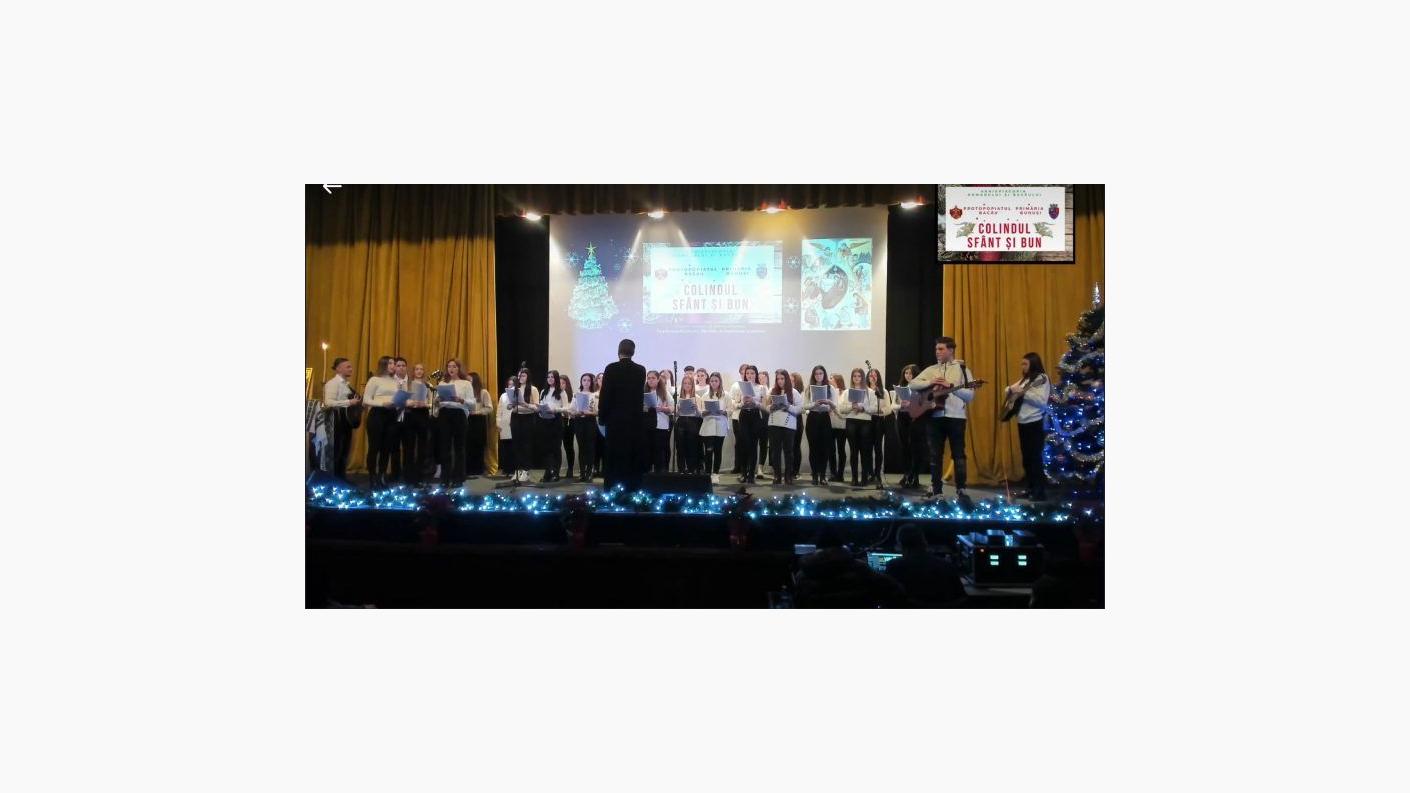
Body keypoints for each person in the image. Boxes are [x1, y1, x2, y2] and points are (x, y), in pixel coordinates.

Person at [907, 336, 978, 498]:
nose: (937, 352)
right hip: (934, 416)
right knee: (934, 455)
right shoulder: (931, 369)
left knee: (958, 454)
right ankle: (936, 489)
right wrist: (930, 382)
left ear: (951, 350)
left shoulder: (963, 370)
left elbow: (970, 396)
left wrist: (951, 386)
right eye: (936, 349)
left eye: (941, 349)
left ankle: (961, 489)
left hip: (956, 417)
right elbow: (912, 384)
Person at [794, 526, 903, 608]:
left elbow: (798, 603)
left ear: (817, 548)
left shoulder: (804, 574)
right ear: (842, 547)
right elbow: (896, 591)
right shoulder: (861, 569)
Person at [599, 339, 648, 491]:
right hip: (634, 420)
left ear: (618, 351)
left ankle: (612, 488)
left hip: (615, 420)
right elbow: (638, 396)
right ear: (633, 352)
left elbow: (605, 395)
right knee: (632, 454)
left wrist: (602, 417)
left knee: (614, 455)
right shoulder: (640, 370)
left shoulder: (611, 368)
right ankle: (633, 488)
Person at [883, 524, 967, 607]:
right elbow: (961, 598)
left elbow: (887, 597)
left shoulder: (893, 566)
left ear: (900, 546)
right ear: (925, 543)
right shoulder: (947, 566)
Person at [1006, 352, 1052, 501]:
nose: (1023, 366)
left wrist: (1024, 394)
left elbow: (1041, 401)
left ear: (1033, 363)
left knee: (1035, 458)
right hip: (1023, 422)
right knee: (1026, 459)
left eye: (1025, 364)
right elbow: (1008, 389)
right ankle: (1030, 488)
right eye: (1022, 364)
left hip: (1035, 422)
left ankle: (1039, 491)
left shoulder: (1042, 379)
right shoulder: (1026, 379)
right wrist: (1012, 391)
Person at [321, 357, 361, 483]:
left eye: (351, 366)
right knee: (337, 450)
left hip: (345, 420)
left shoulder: (345, 384)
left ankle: (341, 478)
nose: (351, 369)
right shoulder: (333, 383)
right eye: (348, 367)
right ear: (338, 369)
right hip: (336, 420)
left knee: (344, 450)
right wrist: (349, 402)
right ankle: (334, 480)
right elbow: (328, 402)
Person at [435, 359, 473, 487]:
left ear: (459, 368)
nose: (451, 369)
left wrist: (461, 400)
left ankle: (458, 478)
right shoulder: (442, 383)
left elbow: (472, 403)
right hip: (444, 414)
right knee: (444, 447)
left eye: (454, 366)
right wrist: (437, 400)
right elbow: (437, 402)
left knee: (459, 447)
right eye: (449, 366)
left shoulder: (466, 383)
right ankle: (445, 478)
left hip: (459, 414)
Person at [363, 355, 398, 490]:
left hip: (391, 415)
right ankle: (372, 476)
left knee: (386, 448)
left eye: (394, 363)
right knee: (374, 448)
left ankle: (382, 475)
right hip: (377, 415)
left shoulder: (396, 381)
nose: (393, 366)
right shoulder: (374, 380)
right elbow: (366, 400)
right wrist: (382, 403)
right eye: (390, 363)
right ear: (384, 365)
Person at [839, 367, 876, 487]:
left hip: (865, 422)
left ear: (863, 377)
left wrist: (863, 408)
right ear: (852, 378)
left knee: (865, 451)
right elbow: (841, 409)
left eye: (859, 376)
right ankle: (854, 478)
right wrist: (852, 406)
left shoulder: (870, 392)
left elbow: (875, 408)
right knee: (853, 451)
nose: (857, 378)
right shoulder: (846, 392)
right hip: (851, 421)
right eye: (854, 376)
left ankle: (864, 478)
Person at [764, 368, 802, 485]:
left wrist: (788, 407)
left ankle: (788, 476)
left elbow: (799, 409)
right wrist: (772, 407)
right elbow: (766, 407)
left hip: (788, 425)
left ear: (787, 379)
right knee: (775, 451)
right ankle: (777, 476)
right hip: (774, 424)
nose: (780, 381)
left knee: (788, 451)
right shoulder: (772, 391)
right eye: (778, 379)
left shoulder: (794, 392)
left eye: (782, 378)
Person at [397, 364, 432, 486]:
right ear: (413, 371)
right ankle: (408, 477)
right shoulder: (407, 384)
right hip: (410, 414)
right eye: (417, 369)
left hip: (423, 414)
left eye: (421, 369)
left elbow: (432, 402)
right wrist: (411, 402)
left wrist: (425, 404)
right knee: (409, 446)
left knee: (423, 447)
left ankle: (420, 476)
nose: (419, 371)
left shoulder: (428, 385)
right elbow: (401, 400)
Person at [895, 364, 929, 490]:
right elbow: (893, 405)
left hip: (916, 418)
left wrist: (912, 403)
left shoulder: (921, 388)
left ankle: (915, 476)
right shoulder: (900, 388)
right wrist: (901, 405)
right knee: (904, 448)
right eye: (906, 373)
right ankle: (906, 474)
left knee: (916, 448)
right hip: (902, 418)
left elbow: (925, 404)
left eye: (911, 373)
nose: (908, 375)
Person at [803, 365, 837, 486]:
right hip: (813, 418)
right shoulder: (809, 388)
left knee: (824, 448)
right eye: (816, 374)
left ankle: (822, 475)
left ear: (824, 375)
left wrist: (828, 402)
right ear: (813, 375)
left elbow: (835, 406)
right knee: (813, 449)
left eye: (821, 373)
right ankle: (814, 475)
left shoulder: (830, 388)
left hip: (824, 418)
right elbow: (805, 406)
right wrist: (814, 404)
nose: (818, 376)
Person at [731, 365, 765, 484]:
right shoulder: (741, 387)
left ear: (756, 374)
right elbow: (735, 404)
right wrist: (742, 403)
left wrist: (754, 401)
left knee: (753, 446)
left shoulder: (761, 387)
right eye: (748, 373)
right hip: (744, 415)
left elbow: (764, 406)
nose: (750, 375)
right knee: (743, 445)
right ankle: (743, 473)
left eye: (752, 373)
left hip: (755, 416)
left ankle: (751, 475)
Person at [508, 366, 541, 484]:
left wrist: (525, 404)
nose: (520, 377)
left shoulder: (533, 389)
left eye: (523, 375)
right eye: (519, 375)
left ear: (528, 377)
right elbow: (510, 405)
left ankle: (526, 470)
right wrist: (510, 405)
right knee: (516, 444)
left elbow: (537, 407)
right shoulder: (514, 388)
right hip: (515, 417)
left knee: (526, 445)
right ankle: (518, 470)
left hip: (528, 418)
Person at [537, 370, 570, 483]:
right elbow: (541, 404)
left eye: (552, 377)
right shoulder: (543, 391)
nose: (550, 379)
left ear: (556, 379)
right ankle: (548, 472)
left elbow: (566, 408)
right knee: (546, 448)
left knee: (555, 448)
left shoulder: (561, 392)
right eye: (548, 377)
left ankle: (555, 473)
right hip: (545, 420)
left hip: (556, 420)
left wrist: (555, 409)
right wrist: (540, 409)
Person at [699, 371, 732, 484]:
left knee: (718, 451)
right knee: (708, 451)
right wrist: (706, 412)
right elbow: (701, 411)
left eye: (716, 381)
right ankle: (708, 473)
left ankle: (715, 474)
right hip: (708, 425)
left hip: (720, 425)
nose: (713, 383)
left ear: (720, 382)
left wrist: (723, 412)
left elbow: (730, 410)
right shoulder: (705, 395)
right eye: (712, 381)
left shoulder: (726, 395)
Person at [566, 373, 599, 482]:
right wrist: (577, 412)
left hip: (590, 421)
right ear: (581, 382)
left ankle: (589, 472)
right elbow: (571, 410)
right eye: (584, 380)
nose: (586, 382)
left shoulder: (595, 395)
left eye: (588, 380)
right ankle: (582, 473)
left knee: (590, 447)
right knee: (582, 447)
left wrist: (589, 412)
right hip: (579, 421)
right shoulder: (576, 395)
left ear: (591, 382)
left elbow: (597, 412)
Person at [642, 370, 674, 473]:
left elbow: (672, 408)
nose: (650, 380)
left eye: (653, 378)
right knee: (647, 451)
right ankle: (647, 474)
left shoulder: (664, 392)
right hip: (647, 425)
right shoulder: (643, 392)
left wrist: (663, 409)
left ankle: (658, 474)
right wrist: (644, 408)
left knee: (659, 451)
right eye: (648, 378)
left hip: (660, 425)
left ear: (658, 379)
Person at [867, 367, 893, 487]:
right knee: (867, 448)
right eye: (870, 375)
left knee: (878, 448)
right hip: (867, 421)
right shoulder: (865, 390)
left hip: (878, 420)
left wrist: (878, 411)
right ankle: (869, 473)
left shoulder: (883, 391)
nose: (872, 377)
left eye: (875, 375)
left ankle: (878, 473)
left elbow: (888, 409)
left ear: (878, 377)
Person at [463, 371, 492, 479]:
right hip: (467, 420)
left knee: (478, 445)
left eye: (469, 380)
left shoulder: (483, 392)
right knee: (467, 445)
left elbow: (489, 408)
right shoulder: (465, 393)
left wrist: (478, 412)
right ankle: (468, 470)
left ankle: (478, 470)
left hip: (478, 421)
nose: (467, 382)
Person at [673, 374, 703, 474]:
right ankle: (681, 469)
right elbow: (676, 414)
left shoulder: (697, 397)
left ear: (692, 385)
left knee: (691, 447)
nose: (687, 385)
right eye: (685, 383)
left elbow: (700, 415)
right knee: (680, 447)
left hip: (693, 423)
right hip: (681, 422)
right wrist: (678, 410)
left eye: (689, 383)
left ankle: (691, 469)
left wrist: (696, 408)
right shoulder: (678, 397)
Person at [729, 363, 748, 475]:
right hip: (737, 416)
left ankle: (747, 466)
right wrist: (738, 404)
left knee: (748, 442)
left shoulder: (751, 385)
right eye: (743, 372)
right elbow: (731, 399)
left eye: (747, 372)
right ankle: (738, 465)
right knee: (739, 442)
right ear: (740, 373)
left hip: (749, 417)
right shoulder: (735, 385)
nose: (745, 374)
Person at [828, 373, 848, 483]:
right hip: (830, 425)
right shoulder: (829, 392)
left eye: (831, 378)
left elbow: (844, 411)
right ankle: (833, 473)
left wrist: (834, 409)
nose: (829, 380)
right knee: (831, 450)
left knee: (841, 450)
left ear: (837, 380)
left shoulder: (845, 393)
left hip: (841, 425)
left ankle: (840, 474)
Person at [495, 375, 515, 479]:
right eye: (509, 384)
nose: (510, 386)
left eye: (513, 384)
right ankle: (506, 469)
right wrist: (498, 423)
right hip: (504, 424)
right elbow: (499, 410)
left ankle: (514, 469)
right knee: (506, 448)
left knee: (513, 447)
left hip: (514, 424)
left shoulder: (517, 395)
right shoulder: (503, 396)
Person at [789, 371, 805, 481]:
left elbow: (802, 408)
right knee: (788, 447)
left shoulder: (801, 393)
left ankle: (796, 471)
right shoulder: (786, 392)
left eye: (792, 381)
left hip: (797, 419)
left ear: (797, 382)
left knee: (796, 446)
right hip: (787, 419)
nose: (789, 382)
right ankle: (789, 470)